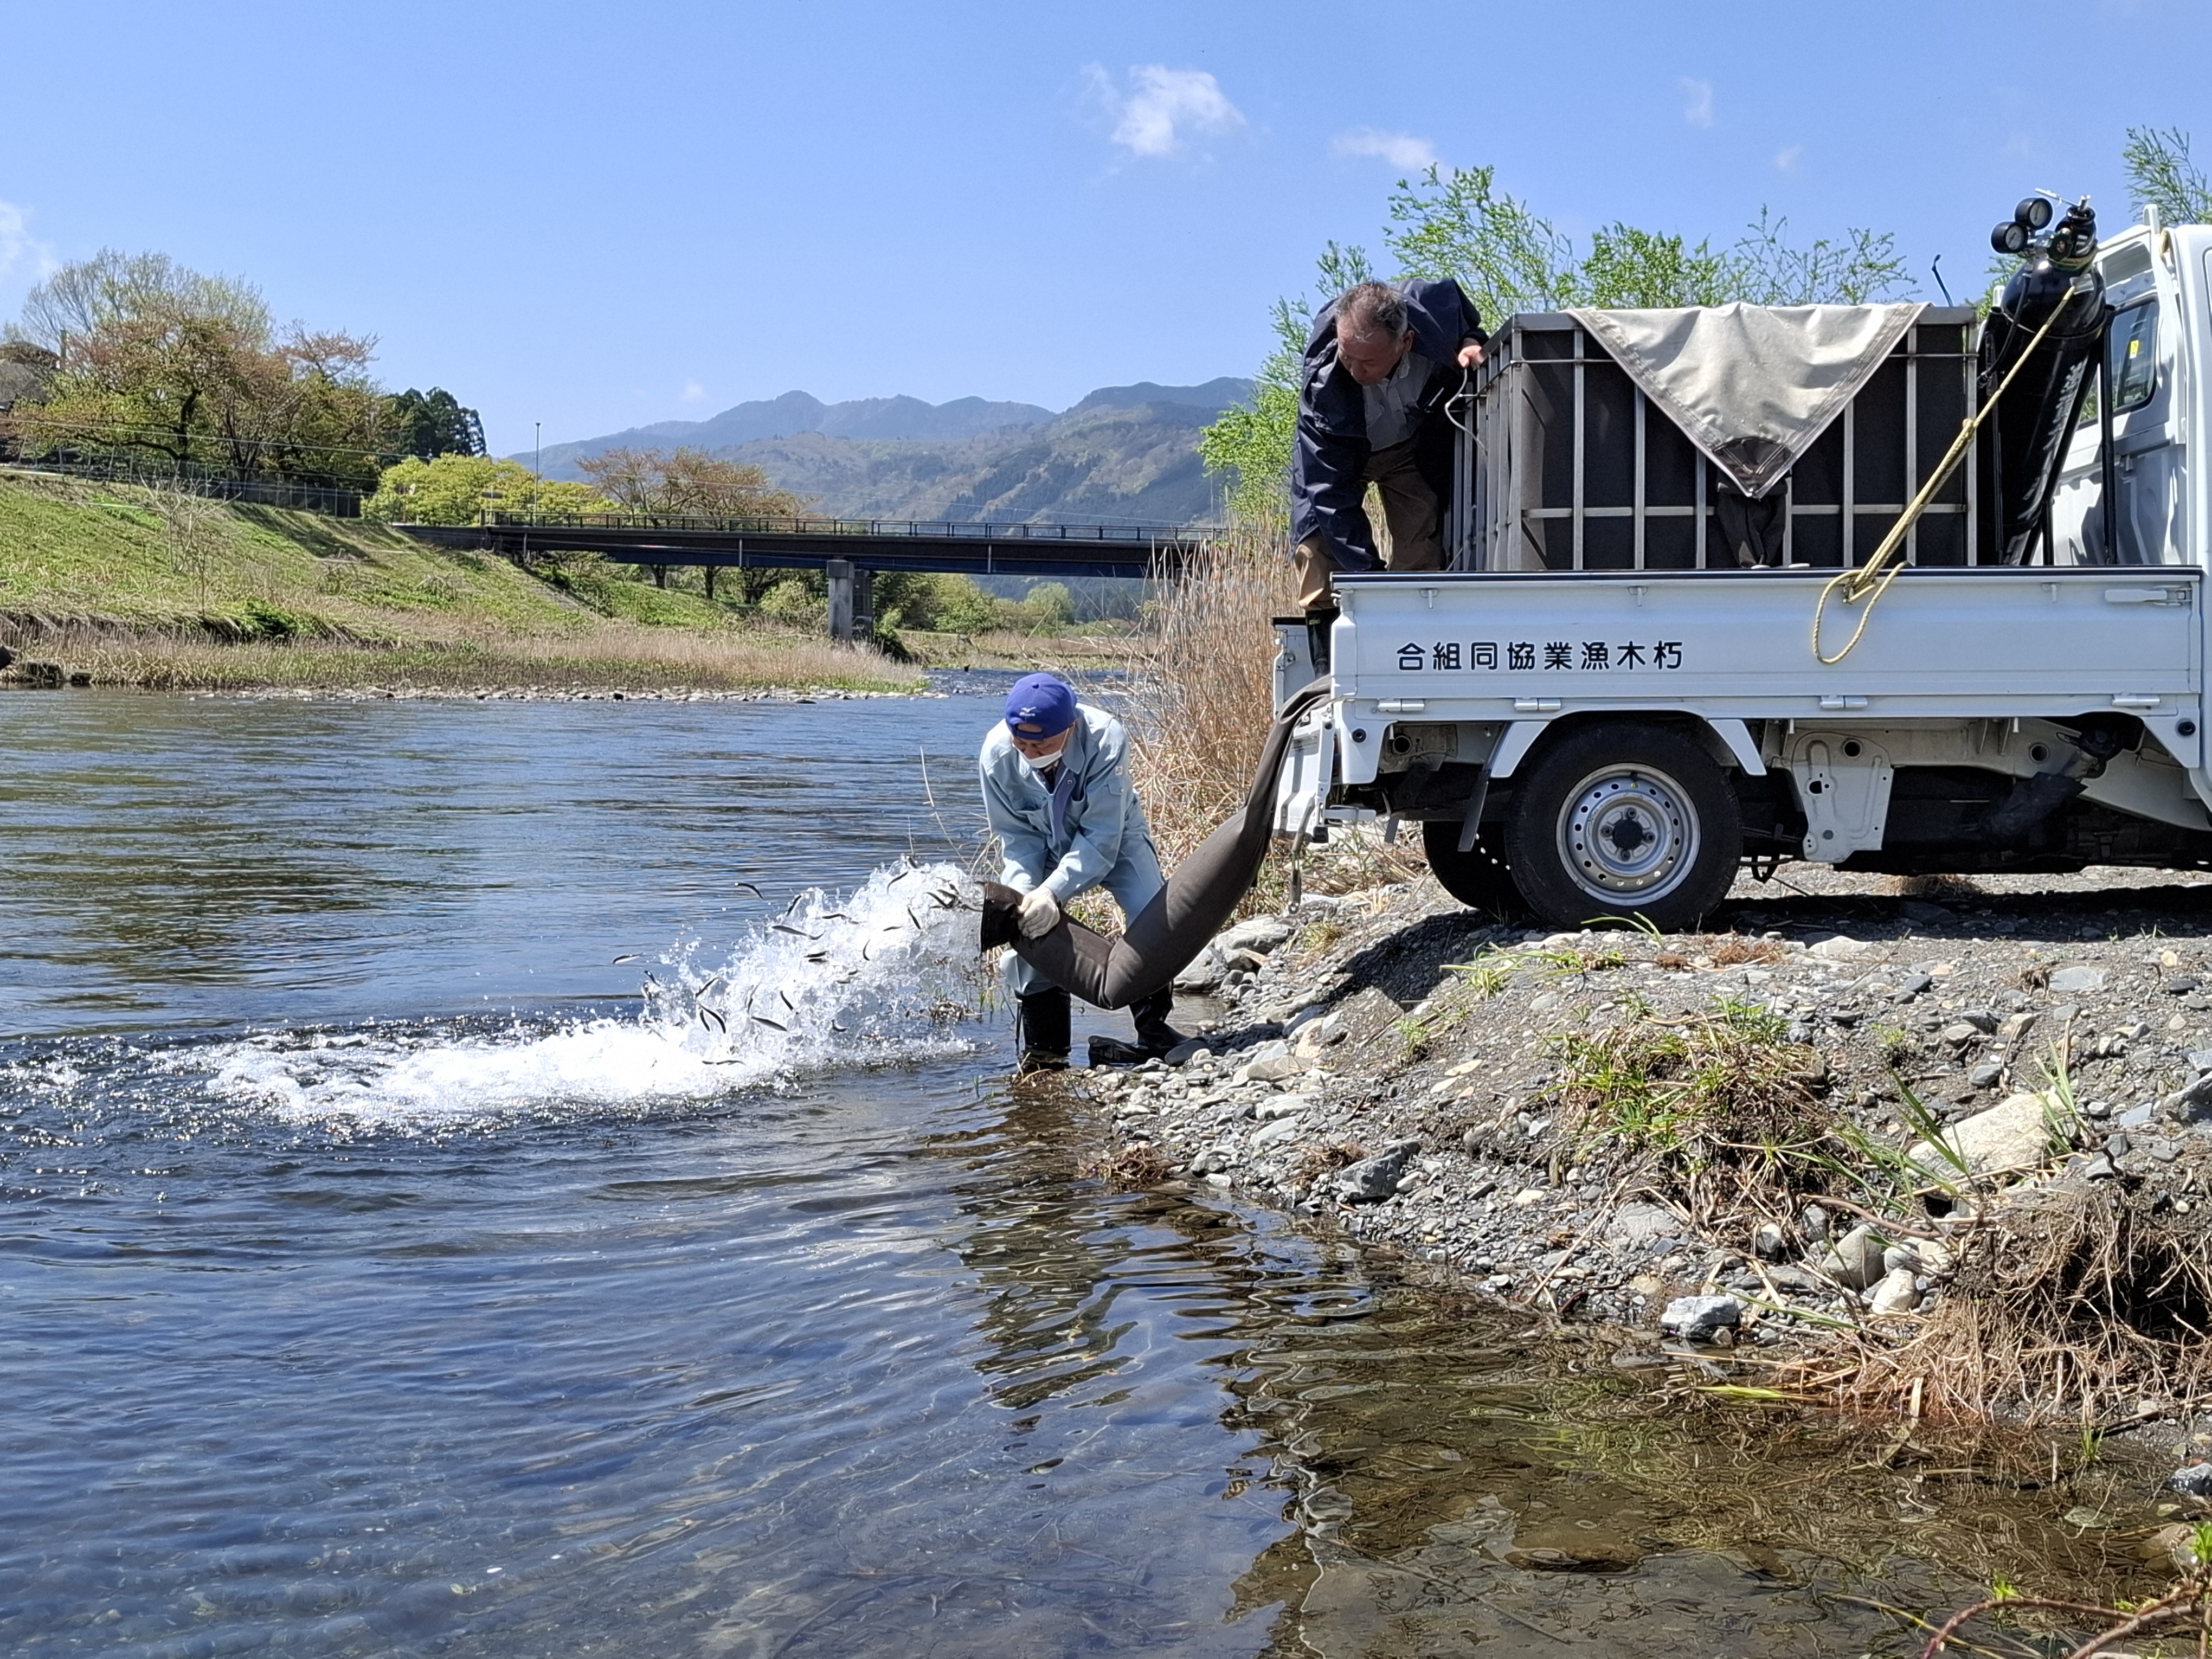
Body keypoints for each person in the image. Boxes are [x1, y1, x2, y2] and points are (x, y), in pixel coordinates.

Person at [979, 672, 1182, 1073]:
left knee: (1150, 913)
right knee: (1028, 929)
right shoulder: (996, 755)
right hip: (1042, 843)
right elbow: (1017, 839)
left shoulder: (1106, 738)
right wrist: (1027, 897)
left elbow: (1101, 837)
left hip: (1117, 836)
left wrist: (1054, 892)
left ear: (1070, 728)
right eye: (1022, 743)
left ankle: (1153, 1034)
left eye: (1042, 745)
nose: (1030, 752)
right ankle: (1046, 1052)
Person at [1291, 278, 1488, 668]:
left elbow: (1466, 322)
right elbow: (1329, 494)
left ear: (1405, 342)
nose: (1354, 370)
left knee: (1422, 548)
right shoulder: (1323, 389)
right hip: (1339, 454)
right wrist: (1369, 578)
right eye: (1348, 356)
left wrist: (1470, 341)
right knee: (1316, 552)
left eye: (1368, 362)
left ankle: (1412, 653)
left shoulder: (1434, 305)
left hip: (1410, 449)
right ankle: (1329, 671)